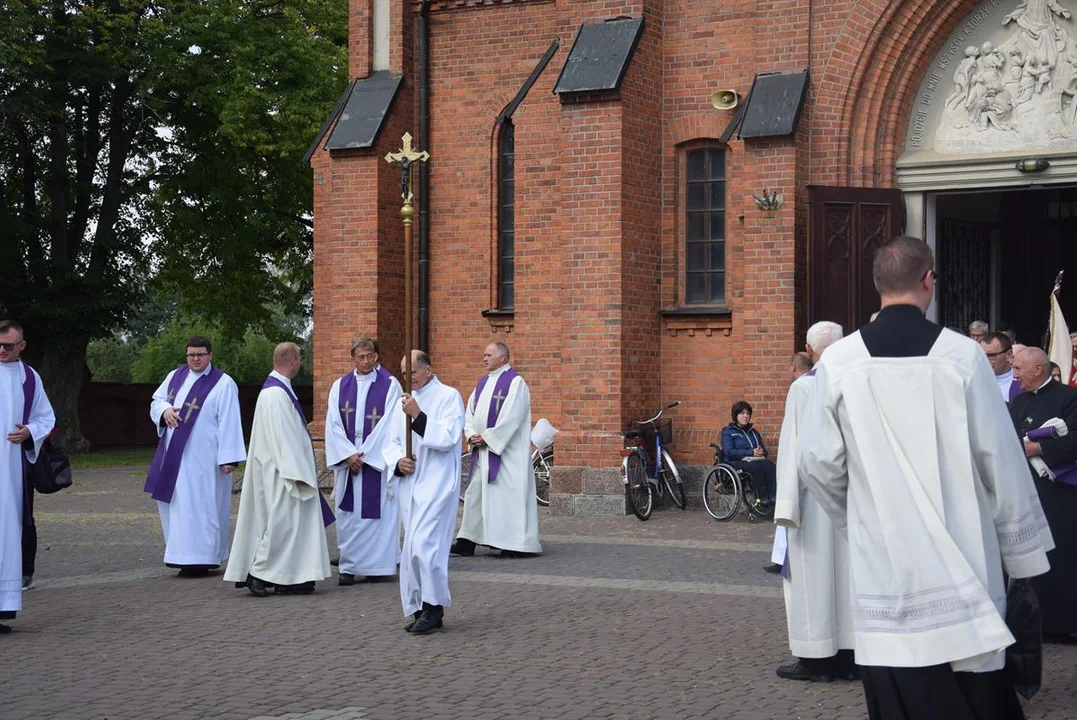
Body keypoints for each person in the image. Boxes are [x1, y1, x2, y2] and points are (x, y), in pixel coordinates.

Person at [798, 236, 1053, 720]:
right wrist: (1021, 554)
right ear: (928, 280)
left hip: (884, 558)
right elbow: (998, 457)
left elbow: (817, 463)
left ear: (877, 286)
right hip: (964, 553)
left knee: (898, 685)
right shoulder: (962, 356)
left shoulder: (839, 363)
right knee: (973, 689)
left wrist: (858, 519)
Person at [774, 320, 855, 683]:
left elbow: (794, 450)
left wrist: (786, 507)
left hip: (813, 500)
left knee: (813, 579)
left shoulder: (804, 388)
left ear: (809, 351)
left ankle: (817, 658)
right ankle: (852, 656)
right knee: (848, 580)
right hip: (854, 496)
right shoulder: (856, 379)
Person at [225, 343, 331, 597]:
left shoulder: (280, 390)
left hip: (284, 469)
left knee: (293, 526)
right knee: (282, 526)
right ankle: (257, 573)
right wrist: (299, 474)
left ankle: (293, 578)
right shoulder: (275, 394)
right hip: (283, 474)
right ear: (293, 360)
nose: (301, 364)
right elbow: (284, 438)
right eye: (300, 359)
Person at [144, 336, 246, 577]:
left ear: (210, 355)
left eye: (200, 354)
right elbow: (156, 401)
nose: (195, 359)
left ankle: (204, 558)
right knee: (178, 507)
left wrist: (228, 457)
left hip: (205, 461)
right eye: (191, 355)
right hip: (174, 459)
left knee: (203, 507)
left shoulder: (223, 383)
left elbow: (229, 421)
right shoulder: (174, 377)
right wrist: (165, 411)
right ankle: (180, 556)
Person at [383, 350, 464, 634]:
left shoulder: (449, 397)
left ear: (428, 370)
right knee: (411, 549)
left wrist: (417, 414)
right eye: (404, 373)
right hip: (411, 483)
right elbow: (390, 441)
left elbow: (447, 438)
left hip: (437, 484)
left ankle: (434, 607)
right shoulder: (402, 401)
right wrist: (397, 461)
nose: (408, 378)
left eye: (413, 373)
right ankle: (419, 607)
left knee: (425, 546)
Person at [1010, 345, 1077, 639]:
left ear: (1038, 369)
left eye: (1018, 369)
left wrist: (1040, 448)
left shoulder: (1069, 397)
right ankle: (1035, 624)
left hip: (1058, 492)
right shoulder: (1019, 400)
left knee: (1060, 555)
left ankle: (1063, 625)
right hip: (1025, 488)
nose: (1015, 375)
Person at [324, 338, 402, 585]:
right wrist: (348, 455)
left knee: (375, 515)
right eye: (361, 357)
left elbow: (390, 423)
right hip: (349, 462)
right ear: (353, 358)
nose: (367, 361)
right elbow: (333, 424)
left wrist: (365, 455)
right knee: (349, 516)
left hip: (374, 463)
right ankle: (348, 566)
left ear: (377, 356)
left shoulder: (390, 385)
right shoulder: (339, 386)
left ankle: (377, 567)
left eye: (371, 356)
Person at [452, 342, 541, 558]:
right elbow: (470, 412)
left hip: (507, 454)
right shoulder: (482, 383)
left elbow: (512, 417)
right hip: (483, 451)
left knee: (506, 497)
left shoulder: (515, 383)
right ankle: (468, 539)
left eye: (488, 355)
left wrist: (489, 438)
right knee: (476, 494)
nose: (484, 358)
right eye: (484, 355)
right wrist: (471, 434)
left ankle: (515, 543)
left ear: (502, 357)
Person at [0, 321, 55, 634]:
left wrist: (30, 432)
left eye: (9, 346)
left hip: (10, 471)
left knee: (7, 534)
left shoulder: (29, 378)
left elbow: (45, 416)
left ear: (22, 345)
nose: (2, 351)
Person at [720, 401, 776, 506]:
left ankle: (772, 495)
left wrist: (761, 451)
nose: (745, 416)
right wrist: (750, 452)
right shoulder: (728, 432)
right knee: (755, 468)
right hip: (735, 462)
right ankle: (761, 497)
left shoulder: (753, 432)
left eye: (748, 413)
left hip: (753, 460)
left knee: (770, 465)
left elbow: (764, 450)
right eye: (742, 413)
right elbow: (729, 452)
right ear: (735, 415)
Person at [979, 332, 1021, 403]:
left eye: (991, 355)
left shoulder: (1022, 384)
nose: (985, 360)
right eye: (981, 355)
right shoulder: (972, 381)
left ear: (1008, 355)